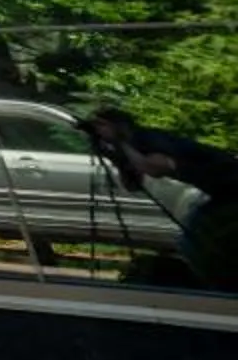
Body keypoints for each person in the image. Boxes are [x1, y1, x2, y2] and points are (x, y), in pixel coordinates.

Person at [83, 107, 238, 278]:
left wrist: (120, 142)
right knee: (196, 238)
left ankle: (218, 283)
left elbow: (156, 168)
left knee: (194, 240)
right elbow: (133, 186)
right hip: (223, 193)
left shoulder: (148, 138)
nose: (100, 131)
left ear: (121, 126)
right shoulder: (131, 145)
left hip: (232, 188)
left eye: (102, 125)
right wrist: (117, 158)